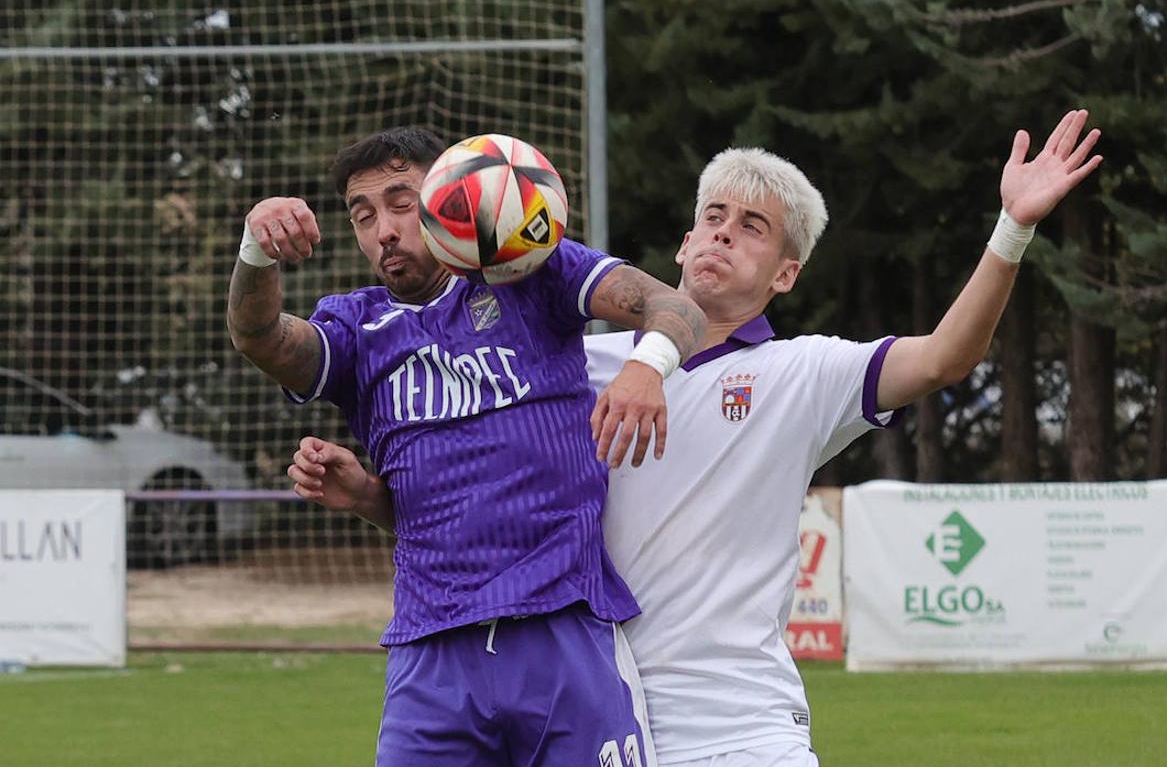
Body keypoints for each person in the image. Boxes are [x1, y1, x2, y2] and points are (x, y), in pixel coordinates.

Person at [288, 111, 1102, 766]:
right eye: (711, 216)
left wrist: (1011, 232)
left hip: (745, 729)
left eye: (753, 226)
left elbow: (945, 357)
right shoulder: (586, 359)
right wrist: (371, 498)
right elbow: (488, 519)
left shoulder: (801, 375)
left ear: (785, 273)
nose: (722, 233)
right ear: (682, 243)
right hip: (609, 714)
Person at [227, 126, 707, 767]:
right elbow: (259, 337)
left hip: (560, 624)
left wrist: (646, 368)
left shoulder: (533, 272)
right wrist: (256, 247)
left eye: (401, 202)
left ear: (456, 193)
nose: (383, 230)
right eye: (363, 215)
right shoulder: (358, 330)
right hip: (431, 652)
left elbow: (674, 306)